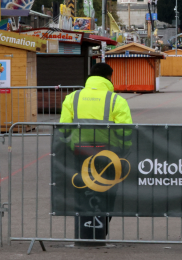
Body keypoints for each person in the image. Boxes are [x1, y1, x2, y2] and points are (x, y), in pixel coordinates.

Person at [60, 63, 132, 245]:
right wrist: (124, 149)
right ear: (109, 78)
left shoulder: (72, 98)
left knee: (82, 194)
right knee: (107, 194)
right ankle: (99, 234)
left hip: (80, 154)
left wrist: (69, 147)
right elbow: (125, 131)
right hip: (109, 156)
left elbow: (63, 129)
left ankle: (84, 235)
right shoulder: (116, 100)